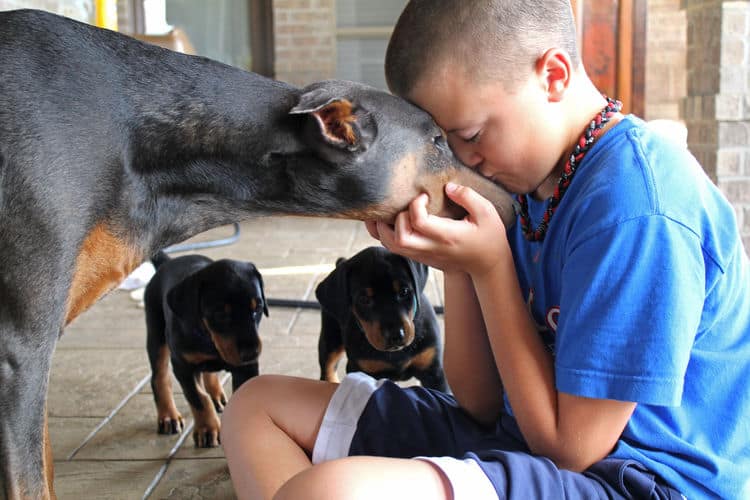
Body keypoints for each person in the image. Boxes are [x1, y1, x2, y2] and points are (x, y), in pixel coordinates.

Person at [221, 1, 750, 498]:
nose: (464, 162)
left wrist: (493, 266)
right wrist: (457, 263)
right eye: (446, 145)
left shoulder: (638, 206)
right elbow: (476, 400)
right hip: (518, 438)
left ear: (554, 76)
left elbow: (572, 451)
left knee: (328, 491)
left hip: (632, 479)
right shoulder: (532, 181)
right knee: (255, 407)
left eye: (470, 134)